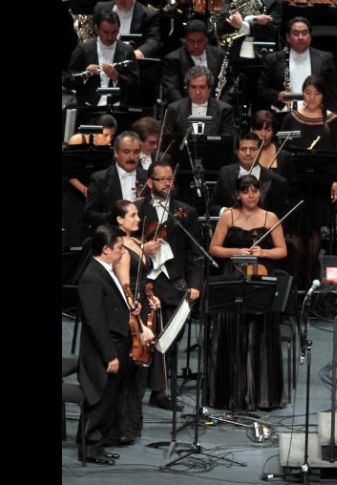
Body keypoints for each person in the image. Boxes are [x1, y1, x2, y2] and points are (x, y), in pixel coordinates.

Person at [206, 174, 288, 410]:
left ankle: (260, 395)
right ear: (237, 194)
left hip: (260, 278)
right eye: (245, 191)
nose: (251, 195)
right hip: (232, 277)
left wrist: (262, 252)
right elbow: (214, 248)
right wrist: (237, 251)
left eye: (255, 190)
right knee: (232, 333)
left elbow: (282, 250)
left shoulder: (270, 217)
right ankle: (230, 394)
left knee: (258, 334)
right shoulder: (228, 216)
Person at [139, 159, 203, 409]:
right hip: (145, 283)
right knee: (145, 338)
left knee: (170, 340)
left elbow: (195, 253)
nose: (167, 183)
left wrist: (195, 283)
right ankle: (139, 388)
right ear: (150, 182)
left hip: (174, 283)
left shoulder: (186, 212)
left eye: (170, 178)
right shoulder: (137, 209)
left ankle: (161, 392)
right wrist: (144, 248)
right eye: (161, 179)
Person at [76, 224, 137, 465]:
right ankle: (89, 448)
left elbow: (112, 307)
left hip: (116, 342)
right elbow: (95, 321)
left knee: (109, 397)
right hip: (104, 348)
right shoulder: (91, 277)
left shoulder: (106, 270)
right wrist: (110, 356)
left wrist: (130, 309)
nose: (123, 252)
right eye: (120, 248)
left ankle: (98, 445)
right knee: (99, 398)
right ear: (105, 249)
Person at [280, 74, 337, 288]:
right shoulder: (291, 118)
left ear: (323, 95)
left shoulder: (333, 120)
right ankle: (296, 281)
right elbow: (283, 151)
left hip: (320, 183)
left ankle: (310, 280)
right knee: (296, 230)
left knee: (315, 230)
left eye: (316, 93)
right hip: (297, 183)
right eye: (308, 93)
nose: (312, 98)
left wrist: (336, 181)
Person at [108, 199, 160, 445]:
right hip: (131, 313)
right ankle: (120, 427)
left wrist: (151, 296)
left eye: (137, 215)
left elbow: (143, 279)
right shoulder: (120, 248)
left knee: (139, 369)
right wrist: (140, 324)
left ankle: (130, 424)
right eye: (132, 215)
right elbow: (124, 289)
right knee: (130, 367)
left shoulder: (136, 242)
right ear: (118, 220)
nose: (138, 220)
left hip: (142, 305)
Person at [257, 17, 337, 112]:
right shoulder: (273, 59)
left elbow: (332, 93)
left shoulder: (325, 59)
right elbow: (261, 89)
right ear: (288, 37)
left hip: (316, 116)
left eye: (304, 33)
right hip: (283, 116)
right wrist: (277, 95)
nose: (301, 37)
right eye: (296, 33)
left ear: (310, 36)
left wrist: (333, 121)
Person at [62, 9, 139, 107]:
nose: (110, 37)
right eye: (106, 32)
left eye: (114, 32)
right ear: (97, 29)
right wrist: (85, 75)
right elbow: (67, 80)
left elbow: (135, 86)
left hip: (118, 106)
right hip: (89, 107)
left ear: (119, 29)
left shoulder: (127, 51)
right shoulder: (83, 49)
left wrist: (116, 77)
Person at [63, 114, 118, 246]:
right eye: (105, 135)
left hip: (93, 189)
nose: (109, 140)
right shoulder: (77, 140)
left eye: (112, 136)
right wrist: (84, 189)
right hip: (74, 188)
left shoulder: (108, 149)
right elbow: (68, 172)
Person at [210, 132, 289, 221]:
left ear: (260, 151)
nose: (248, 153)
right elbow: (212, 206)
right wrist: (224, 211)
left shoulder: (277, 181)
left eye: (253, 149)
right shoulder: (225, 173)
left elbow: (282, 218)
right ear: (236, 151)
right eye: (243, 149)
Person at [83, 131, 147, 228]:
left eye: (136, 152)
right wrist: (116, 217)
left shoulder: (148, 178)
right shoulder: (100, 179)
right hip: (111, 236)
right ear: (116, 153)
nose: (132, 157)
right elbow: (88, 215)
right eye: (126, 152)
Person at [161, 20, 227, 104]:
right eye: (191, 41)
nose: (196, 46)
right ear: (184, 41)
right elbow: (171, 91)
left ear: (206, 40)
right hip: (184, 110)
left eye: (200, 41)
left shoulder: (220, 55)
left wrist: (220, 107)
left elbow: (229, 86)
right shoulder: (173, 59)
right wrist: (188, 109)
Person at [164, 65, 237, 138]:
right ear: (187, 88)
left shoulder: (224, 110)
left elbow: (227, 141)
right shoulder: (174, 110)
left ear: (210, 88)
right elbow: (168, 140)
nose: (198, 92)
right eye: (193, 87)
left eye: (202, 87)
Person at [94, 0, 162, 58]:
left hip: (131, 60)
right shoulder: (100, 8)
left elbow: (153, 40)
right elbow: (95, 34)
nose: (123, 1)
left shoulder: (148, 15)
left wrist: (140, 52)